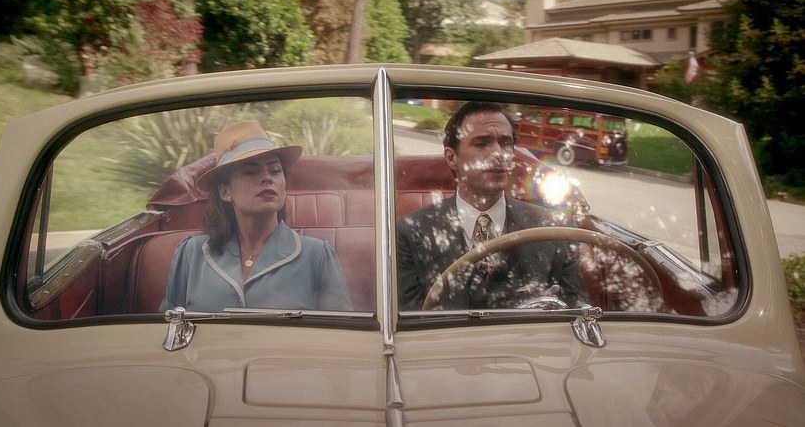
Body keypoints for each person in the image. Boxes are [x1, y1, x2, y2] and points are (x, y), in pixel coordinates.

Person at [396, 102, 586, 310]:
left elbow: (577, 314)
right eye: (481, 143)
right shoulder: (411, 233)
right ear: (451, 158)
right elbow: (409, 322)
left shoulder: (554, 229)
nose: (498, 154)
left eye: (506, 143)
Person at [160, 120, 353, 312]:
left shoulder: (317, 255)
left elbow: (340, 328)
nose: (267, 178)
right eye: (251, 172)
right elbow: (168, 323)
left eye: (275, 171)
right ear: (225, 191)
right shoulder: (192, 253)